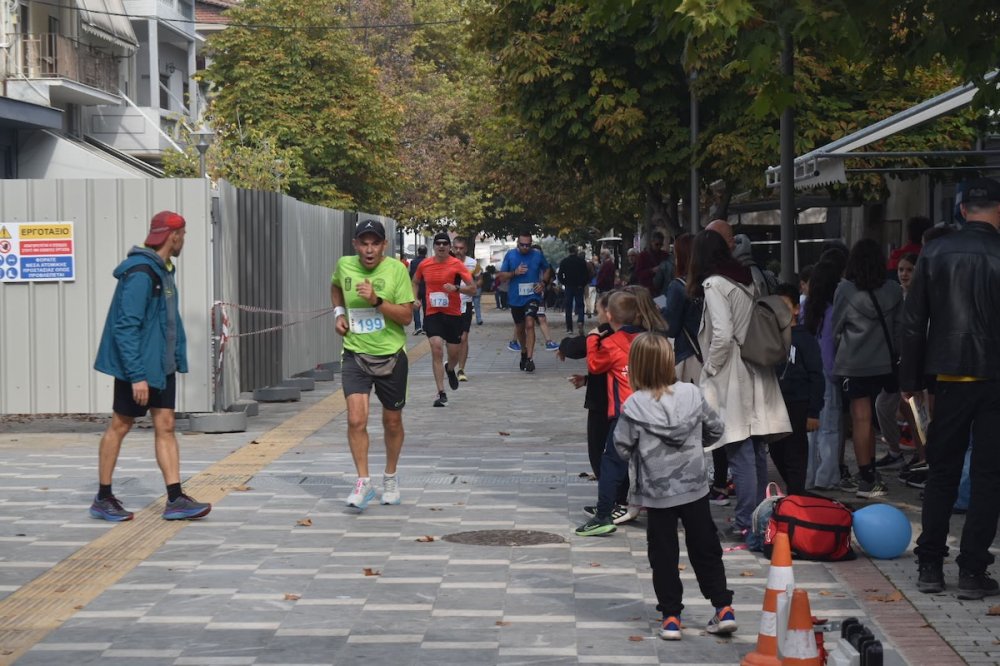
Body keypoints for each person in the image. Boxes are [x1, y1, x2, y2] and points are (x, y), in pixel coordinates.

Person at [901, 177, 1000, 599]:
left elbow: (913, 321)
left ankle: (930, 565)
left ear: (962, 210)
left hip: (948, 376)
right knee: (988, 477)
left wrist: (910, 381)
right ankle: (973, 571)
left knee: (942, 472)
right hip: (994, 377)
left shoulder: (935, 251)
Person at [613, 332, 735, 640]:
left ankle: (671, 617)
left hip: (656, 493)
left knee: (663, 555)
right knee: (705, 547)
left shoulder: (634, 406)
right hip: (694, 487)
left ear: (636, 366)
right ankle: (723, 608)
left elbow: (621, 447)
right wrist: (694, 447)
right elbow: (716, 428)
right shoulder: (692, 394)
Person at [91, 211, 211, 522]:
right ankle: (103, 498)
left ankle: (175, 498)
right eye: (183, 235)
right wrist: (137, 376)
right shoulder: (142, 273)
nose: (184, 240)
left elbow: (167, 323)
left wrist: (175, 359)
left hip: (161, 366)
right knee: (121, 425)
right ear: (174, 236)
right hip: (139, 368)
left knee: (166, 425)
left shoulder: (164, 270)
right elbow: (125, 327)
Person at [689, 229, 790, 539]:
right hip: (756, 366)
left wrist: (709, 369)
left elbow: (722, 334)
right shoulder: (746, 277)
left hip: (732, 373)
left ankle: (747, 520)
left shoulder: (714, 284)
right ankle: (760, 517)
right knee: (756, 449)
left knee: (739, 449)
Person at [331, 219, 415, 509]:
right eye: (364, 243)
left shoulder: (396, 270)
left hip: (391, 354)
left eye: (375, 244)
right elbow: (335, 286)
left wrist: (377, 300)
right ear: (355, 244)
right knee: (356, 419)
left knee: (392, 421)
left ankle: (390, 477)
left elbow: (406, 317)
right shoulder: (344, 265)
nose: (369, 250)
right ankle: (363, 482)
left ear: (384, 245)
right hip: (355, 352)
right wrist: (339, 314)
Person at [832, 238, 904, 498]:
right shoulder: (894, 290)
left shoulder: (844, 290)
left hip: (854, 362)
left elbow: (836, 328)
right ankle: (871, 470)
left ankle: (865, 477)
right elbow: (898, 330)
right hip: (884, 363)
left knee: (860, 419)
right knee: (873, 418)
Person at [575, 291, 646, 536]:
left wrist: (592, 338)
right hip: (652, 410)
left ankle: (603, 514)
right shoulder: (647, 340)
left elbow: (595, 364)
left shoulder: (612, 343)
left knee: (611, 463)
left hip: (625, 413)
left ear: (609, 315)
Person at [874, 253, 927, 483]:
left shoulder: (922, 296)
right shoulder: (897, 295)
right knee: (895, 407)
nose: (904, 274)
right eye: (901, 270)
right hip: (899, 362)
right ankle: (904, 453)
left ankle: (922, 456)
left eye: (909, 270)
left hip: (915, 363)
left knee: (915, 412)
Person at [771, 283, 824, 495]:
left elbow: (816, 375)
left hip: (798, 404)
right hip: (775, 404)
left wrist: (813, 412)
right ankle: (795, 492)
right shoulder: (769, 337)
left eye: (785, 306)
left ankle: (796, 495)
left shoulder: (805, 338)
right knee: (776, 450)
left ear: (796, 309)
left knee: (795, 452)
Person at [412, 232, 475, 406]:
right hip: (432, 313)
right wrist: (414, 298)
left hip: (453, 315)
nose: (441, 246)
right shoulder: (425, 264)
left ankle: (450, 368)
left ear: (449, 247)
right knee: (437, 347)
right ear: (433, 247)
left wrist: (456, 288)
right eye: (438, 243)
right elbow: (415, 281)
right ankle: (441, 392)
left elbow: (473, 289)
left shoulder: (457, 264)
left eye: (444, 244)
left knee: (453, 354)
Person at [559, 291, 613, 479]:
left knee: (599, 448)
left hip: (604, 401)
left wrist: (565, 345)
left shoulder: (606, 334)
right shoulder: (641, 333)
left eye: (598, 311)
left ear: (609, 313)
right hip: (622, 397)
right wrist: (588, 380)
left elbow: (583, 352)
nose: (597, 316)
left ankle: (611, 490)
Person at [802, 261, 844, 491]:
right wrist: (836, 376)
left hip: (807, 375)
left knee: (811, 430)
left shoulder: (806, 307)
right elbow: (828, 349)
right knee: (829, 428)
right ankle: (826, 477)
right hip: (826, 375)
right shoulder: (831, 311)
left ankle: (809, 476)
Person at [497, 232, 550, 372]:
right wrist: (514, 272)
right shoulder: (510, 255)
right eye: (522, 245)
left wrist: (543, 283)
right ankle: (524, 352)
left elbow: (547, 269)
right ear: (517, 244)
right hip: (515, 298)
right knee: (520, 328)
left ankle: (530, 359)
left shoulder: (537, 255)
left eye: (528, 245)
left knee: (530, 323)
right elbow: (501, 276)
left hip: (533, 296)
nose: (525, 247)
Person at [452, 236, 481, 381]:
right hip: (450, 304)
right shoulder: (447, 262)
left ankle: (461, 369)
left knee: (463, 338)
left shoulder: (472, 263)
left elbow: (480, 278)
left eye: (461, 248)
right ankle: (451, 363)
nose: (458, 251)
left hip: (465, 304)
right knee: (452, 339)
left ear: (466, 249)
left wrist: (474, 285)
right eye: (456, 248)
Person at [558, 245, 590, 335]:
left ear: (569, 251)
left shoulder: (564, 261)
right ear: (576, 251)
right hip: (579, 286)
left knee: (568, 307)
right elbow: (586, 275)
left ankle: (569, 328)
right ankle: (580, 321)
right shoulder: (581, 261)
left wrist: (564, 282)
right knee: (580, 305)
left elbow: (560, 275)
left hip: (569, 286)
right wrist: (582, 284)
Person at [408, 245, 428, 335]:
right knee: (426, 308)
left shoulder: (413, 262)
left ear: (418, 252)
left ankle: (417, 327)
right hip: (426, 287)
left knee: (416, 306)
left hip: (416, 287)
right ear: (426, 252)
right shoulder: (428, 261)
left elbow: (411, 274)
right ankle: (426, 327)